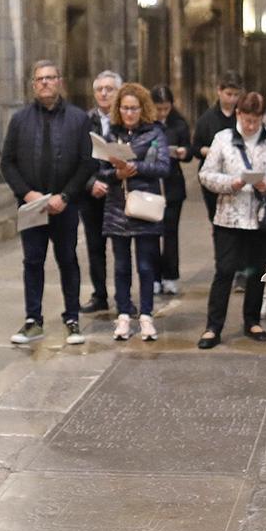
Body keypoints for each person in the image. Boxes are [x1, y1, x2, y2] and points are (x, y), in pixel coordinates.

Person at [0, 61, 93, 347]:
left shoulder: (78, 119)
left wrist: (65, 196)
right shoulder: (20, 120)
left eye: (50, 78)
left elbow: (86, 162)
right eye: (39, 79)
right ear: (32, 85)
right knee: (33, 260)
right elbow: (7, 162)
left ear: (59, 81)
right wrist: (27, 194)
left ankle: (72, 317)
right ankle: (33, 320)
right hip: (32, 206)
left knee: (67, 259)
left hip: (64, 205)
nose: (45, 83)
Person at [198, 91, 266, 348]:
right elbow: (206, 174)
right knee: (224, 271)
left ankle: (252, 320)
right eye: (246, 119)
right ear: (238, 114)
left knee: (256, 271)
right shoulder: (223, 139)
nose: (251, 125)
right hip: (229, 217)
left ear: (262, 118)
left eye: (255, 120)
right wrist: (233, 182)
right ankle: (213, 326)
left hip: (261, 218)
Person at [96, 83, 171, 341]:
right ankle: (124, 315)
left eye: (134, 108)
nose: (129, 113)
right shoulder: (112, 135)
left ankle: (147, 315)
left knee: (146, 264)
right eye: (125, 108)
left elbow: (164, 166)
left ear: (143, 109)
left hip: (144, 204)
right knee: (121, 265)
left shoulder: (155, 132)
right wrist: (116, 173)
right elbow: (101, 170)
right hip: (118, 205)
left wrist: (135, 167)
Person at [79, 69, 123, 315]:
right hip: (92, 194)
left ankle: (123, 296)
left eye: (109, 89)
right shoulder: (84, 121)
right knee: (95, 247)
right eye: (99, 89)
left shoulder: (125, 119)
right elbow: (78, 158)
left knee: (121, 249)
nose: (104, 93)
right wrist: (90, 183)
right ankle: (100, 295)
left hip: (117, 192)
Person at [151, 84, 193, 294]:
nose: (162, 113)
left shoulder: (178, 123)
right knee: (150, 233)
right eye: (158, 108)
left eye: (166, 108)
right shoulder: (146, 124)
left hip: (172, 184)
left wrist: (184, 152)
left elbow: (189, 151)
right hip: (150, 185)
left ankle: (170, 275)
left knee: (170, 231)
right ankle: (153, 276)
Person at [192, 72, 245, 223]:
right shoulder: (206, 119)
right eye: (229, 94)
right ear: (219, 91)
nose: (232, 99)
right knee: (216, 219)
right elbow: (195, 148)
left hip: (238, 174)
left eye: (236, 95)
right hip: (215, 175)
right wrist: (207, 151)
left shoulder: (242, 116)